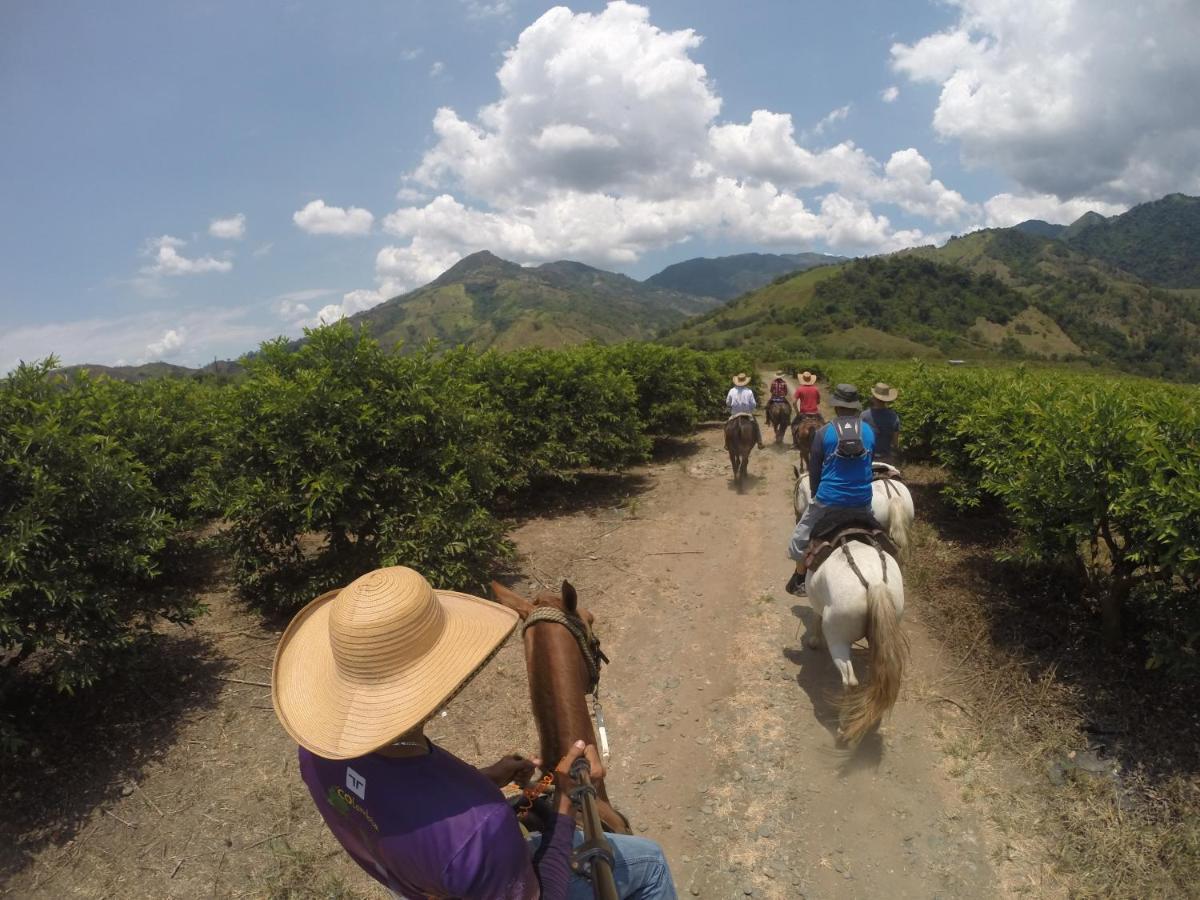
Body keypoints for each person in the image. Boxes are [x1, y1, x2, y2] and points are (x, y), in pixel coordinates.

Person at [271, 566, 677, 899]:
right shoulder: (481, 832)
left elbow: (390, 803)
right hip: (490, 873)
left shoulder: (316, 752)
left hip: (416, 878)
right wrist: (568, 801)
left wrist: (486, 779)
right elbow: (546, 892)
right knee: (652, 862)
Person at [785, 384, 876, 596]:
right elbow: (869, 463)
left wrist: (817, 497)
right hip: (862, 501)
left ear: (836, 407)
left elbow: (815, 471)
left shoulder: (824, 432)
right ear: (855, 408)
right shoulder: (869, 431)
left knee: (798, 540)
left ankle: (800, 579)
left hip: (829, 501)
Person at [861, 382, 901, 463]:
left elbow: (860, 439)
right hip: (886, 458)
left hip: (868, 458)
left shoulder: (863, 416)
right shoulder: (894, 417)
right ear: (887, 400)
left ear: (873, 398)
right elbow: (895, 443)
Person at [725, 372, 764, 450]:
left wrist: (730, 407)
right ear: (745, 381)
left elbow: (727, 402)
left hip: (735, 414)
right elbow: (753, 404)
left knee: (726, 425)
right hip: (747, 414)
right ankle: (760, 442)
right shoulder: (749, 391)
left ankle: (726, 443)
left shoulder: (732, 390)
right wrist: (751, 410)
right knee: (756, 425)